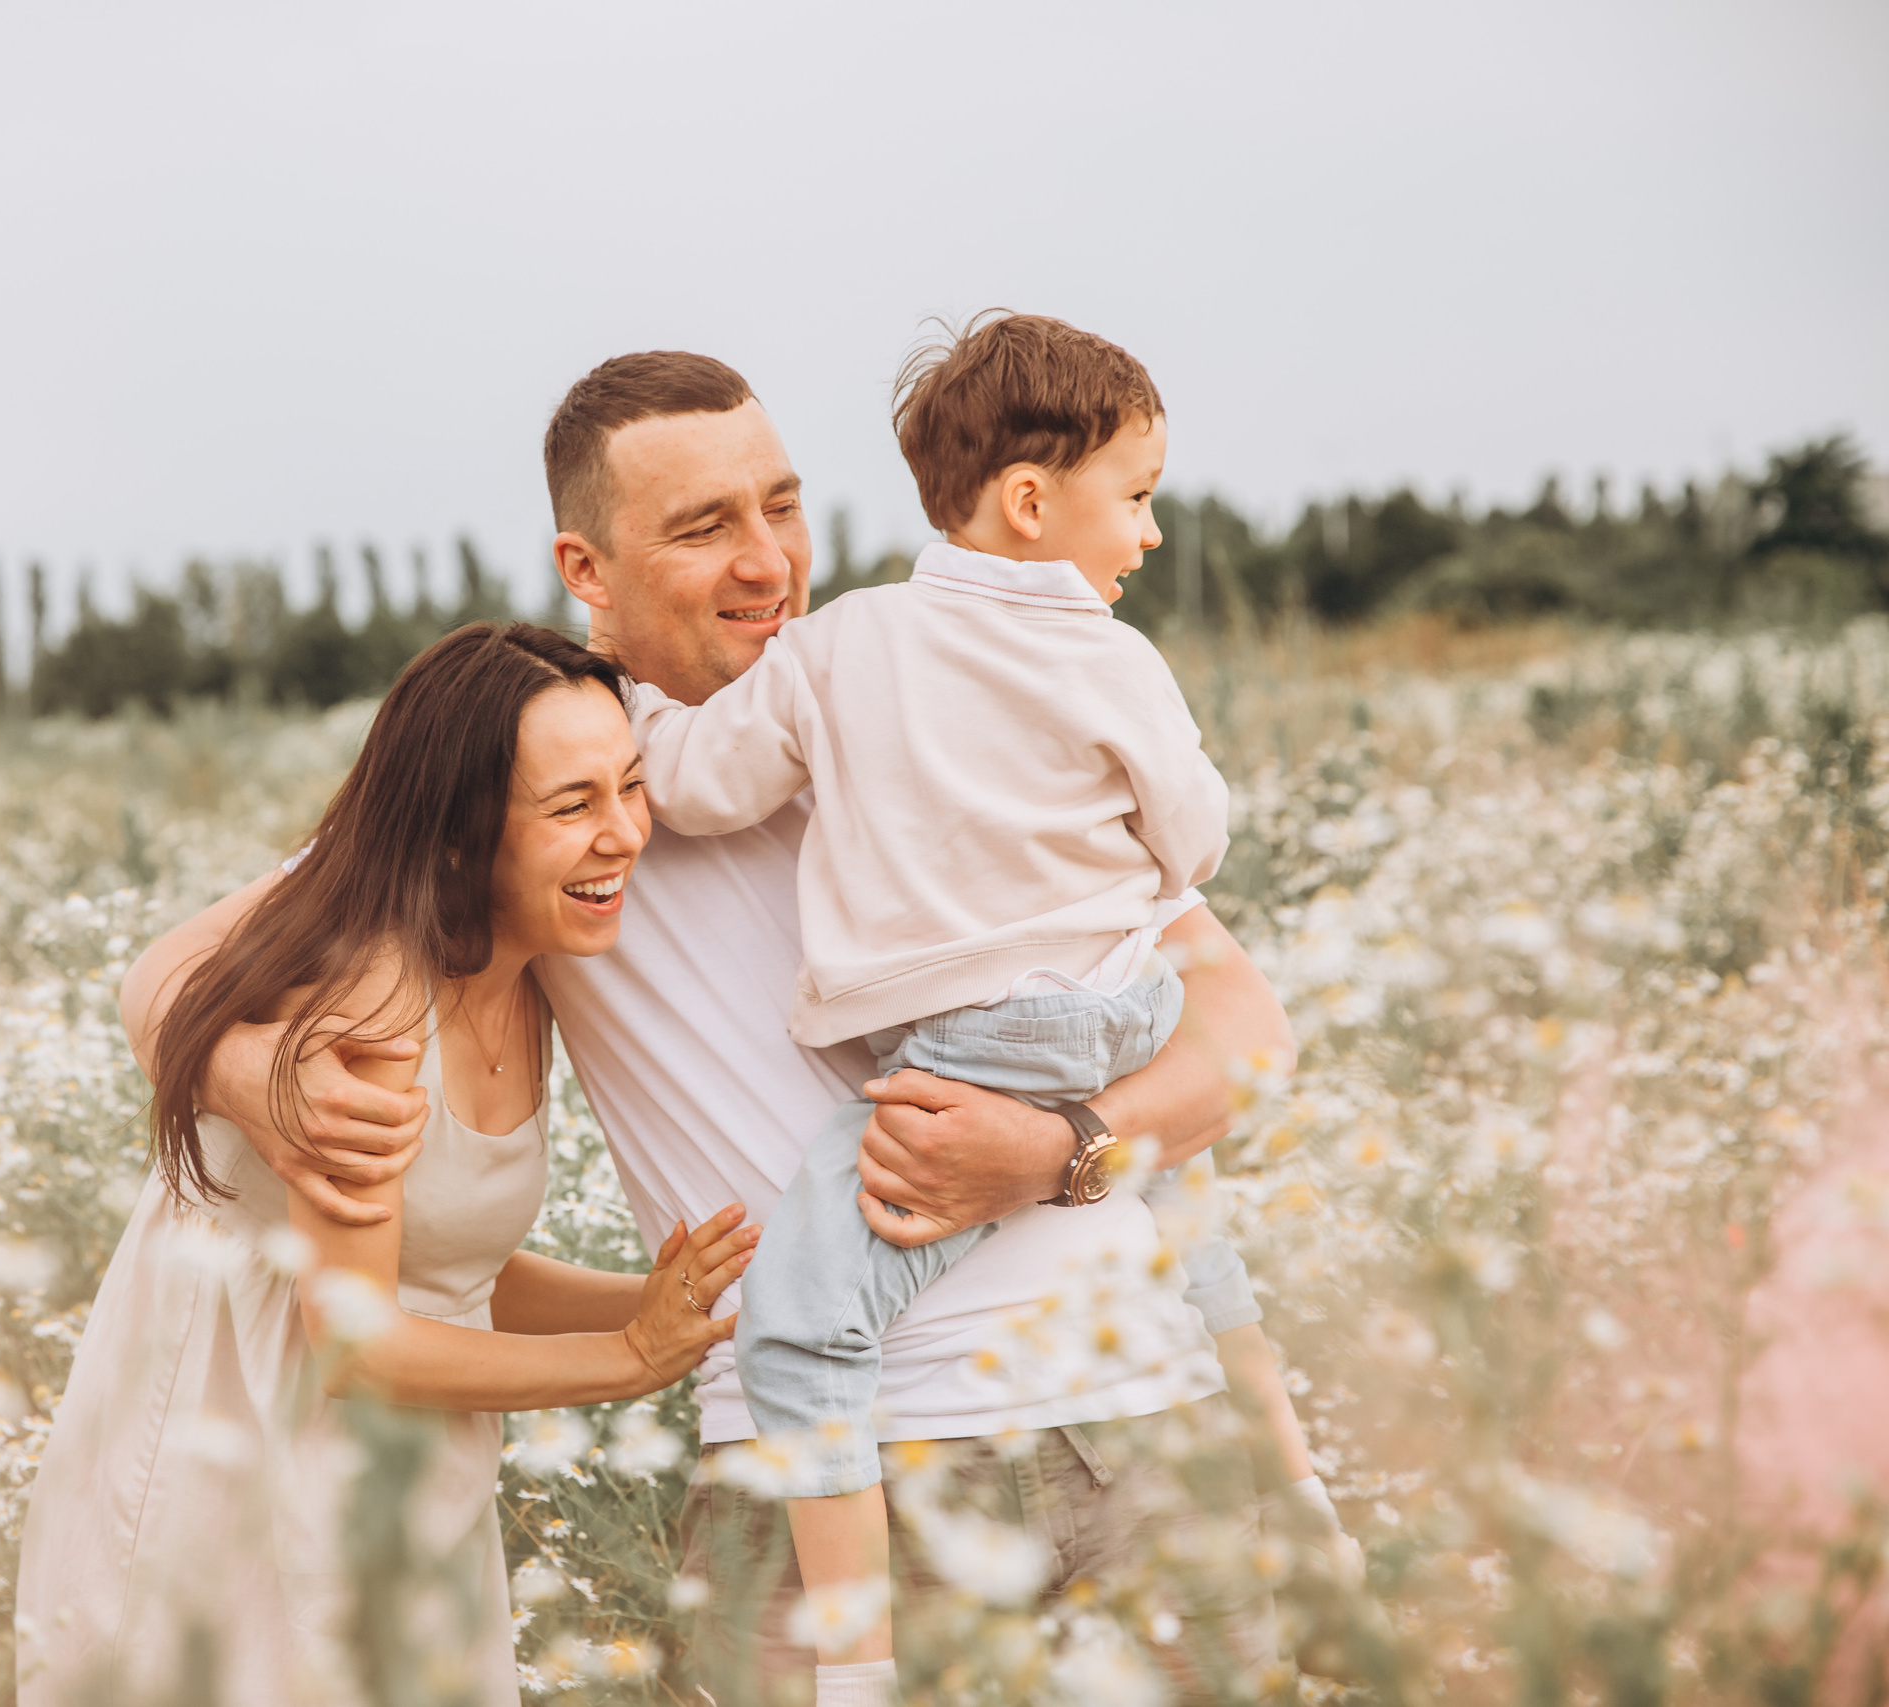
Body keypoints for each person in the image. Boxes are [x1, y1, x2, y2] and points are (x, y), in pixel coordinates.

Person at [142, 350, 1302, 1702]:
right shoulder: (552, 776)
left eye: (782, 506)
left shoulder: (919, 696)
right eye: (703, 529)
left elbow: (1243, 1027)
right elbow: (169, 972)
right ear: (589, 567)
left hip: (1139, 1428)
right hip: (824, 1485)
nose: (768, 563)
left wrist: (1059, 1147)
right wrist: (249, 1069)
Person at [624, 314, 1346, 1701]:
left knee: (802, 1310)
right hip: (1116, 1004)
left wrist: (632, 715)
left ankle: (859, 1660)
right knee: (1189, 1221)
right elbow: (1192, 835)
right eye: (1134, 497)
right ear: (1031, 501)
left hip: (979, 1049)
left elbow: (704, 785)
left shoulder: (841, 651)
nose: (1145, 533)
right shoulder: (1113, 661)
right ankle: (1305, 1500)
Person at [14, 623, 759, 1707]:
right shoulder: (373, 1000)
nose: (624, 834)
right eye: (571, 806)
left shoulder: (528, 969)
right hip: (234, 1477)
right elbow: (360, 1344)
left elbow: (446, 1262)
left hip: (395, 1479)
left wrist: (653, 1304)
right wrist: (630, 1358)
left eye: (631, 787)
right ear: (460, 836)